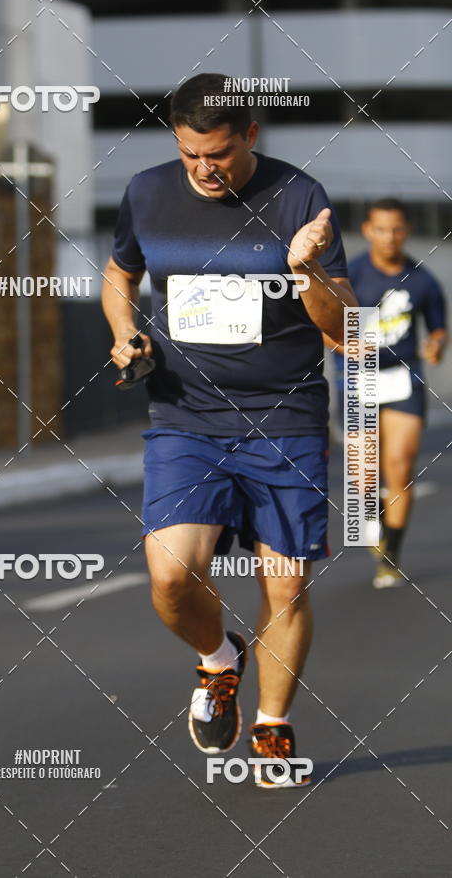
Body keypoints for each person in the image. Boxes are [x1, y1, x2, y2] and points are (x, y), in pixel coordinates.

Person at [101, 73, 355, 787]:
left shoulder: (299, 197)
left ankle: (273, 731)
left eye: (218, 153)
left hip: (285, 419)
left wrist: (308, 272)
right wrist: (126, 335)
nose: (204, 169)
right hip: (186, 417)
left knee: (286, 585)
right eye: (189, 154)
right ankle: (219, 661)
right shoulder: (148, 192)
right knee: (170, 577)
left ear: (250, 134)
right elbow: (120, 274)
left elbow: (340, 327)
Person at [332, 199, 447, 589]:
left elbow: (437, 329)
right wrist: (342, 345)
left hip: (403, 378)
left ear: (406, 231)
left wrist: (435, 345)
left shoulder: (422, 280)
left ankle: (391, 554)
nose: (389, 237)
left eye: (396, 229)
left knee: (399, 464)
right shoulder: (350, 276)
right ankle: (374, 513)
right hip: (358, 377)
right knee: (363, 477)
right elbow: (327, 324)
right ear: (367, 230)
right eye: (381, 229)